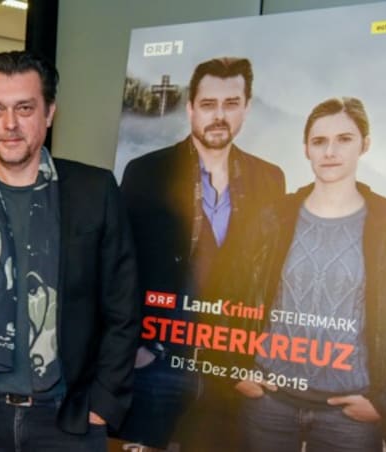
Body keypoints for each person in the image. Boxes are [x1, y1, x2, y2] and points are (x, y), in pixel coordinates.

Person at [0, 50, 140, 452]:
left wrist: (103, 403)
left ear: (49, 113)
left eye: (24, 108)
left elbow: (123, 306)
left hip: (66, 420)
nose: (9, 124)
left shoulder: (94, 191)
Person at [118, 57, 285, 450]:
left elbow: (272, 272)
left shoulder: (270, 177)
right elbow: (122, 266)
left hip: (229, 366)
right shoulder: (147, 171)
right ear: (191, 107)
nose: (219, 115)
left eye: (231, 103)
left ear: (245, 107)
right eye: (209, 104)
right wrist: (136, 350)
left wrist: (257, 359)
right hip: (158, 359)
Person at [234, 97, 386, 452]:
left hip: (350, 414)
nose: (330, 151)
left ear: (365, 144)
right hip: (267, 402)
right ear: (306, 149)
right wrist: (235, 370)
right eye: (318, 141)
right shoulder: (273, 217)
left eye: (344, 139)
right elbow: (230, 293)